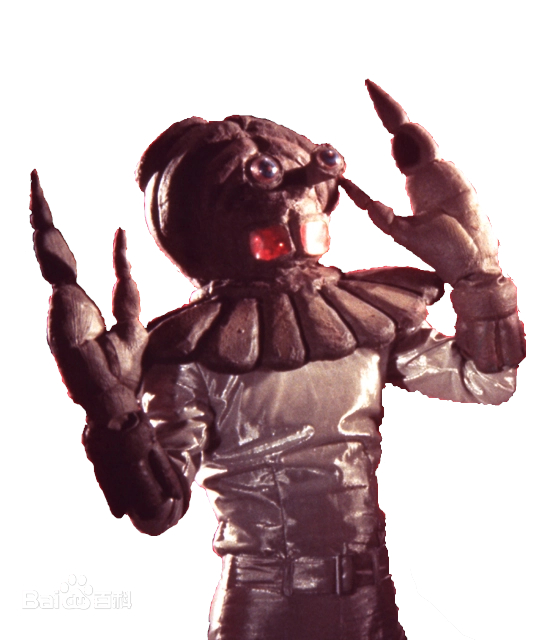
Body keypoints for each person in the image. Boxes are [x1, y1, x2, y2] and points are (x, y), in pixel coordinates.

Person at [30, 81, 524, 640]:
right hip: (262, 606)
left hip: (368, 596)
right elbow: (158, 508)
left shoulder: (366, 325)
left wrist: (480, 277)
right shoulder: (193, 356)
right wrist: (113, 412)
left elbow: (486, 381)